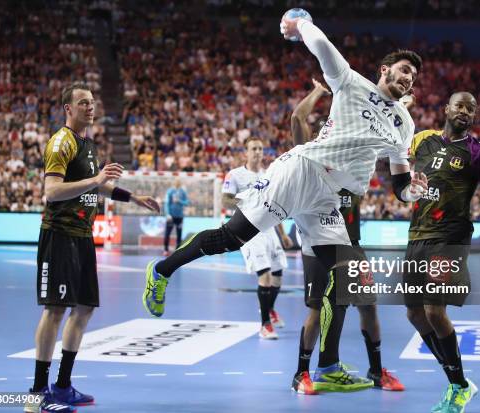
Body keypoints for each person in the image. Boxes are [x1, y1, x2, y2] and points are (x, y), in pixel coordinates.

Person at [142, 13, 426, 392]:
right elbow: (323, 46)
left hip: (329, 199)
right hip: (301, 171)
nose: (409, 78)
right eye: (404, 70)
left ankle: (326, 367)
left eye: (413, 76)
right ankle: (161, 271)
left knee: (346, 281)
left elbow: (401, 182)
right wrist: (300, 22)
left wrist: (413, 192)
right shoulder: (351, 83)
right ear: (385, 70)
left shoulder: (404, 124)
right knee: (231, 237)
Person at [25, 83, 160, 413]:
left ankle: (62, 386)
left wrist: (133, 198)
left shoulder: (87, 145)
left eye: (92, 102)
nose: (90, 107)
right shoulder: (61, 142)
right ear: (68, 109)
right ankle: (38, 391)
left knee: (84, 308)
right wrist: (96, 181)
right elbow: (52, 191)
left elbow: (99, 185)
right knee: (56, 309)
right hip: (60, 235)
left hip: (83, 237)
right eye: (82, 102)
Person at [403, 92, 480, 413]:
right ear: (446, 109)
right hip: (417, 235)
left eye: (471, 108)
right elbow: (398, 166)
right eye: (460, 105)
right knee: (414, 314)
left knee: (433, 311)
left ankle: (458, 386)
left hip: (450, 238)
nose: (465, 111)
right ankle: (458, 381)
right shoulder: (421, 141)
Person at [290, 78, 404, 394]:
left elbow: (386, 138)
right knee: (318, 307)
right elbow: (297, 119)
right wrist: (318, 91)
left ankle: (375, 370)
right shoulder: (309, 157)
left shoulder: (354, 156)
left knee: (368, 305)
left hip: (351, 244)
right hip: (318, 241)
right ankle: (303, 373)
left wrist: (398, 108)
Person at [222, 137, 293, 339]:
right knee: (266, 276)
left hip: (270, 229)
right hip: (248, 230)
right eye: (253, 148)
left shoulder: (268, 175)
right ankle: (265, 325)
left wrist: (283, 234)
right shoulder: (235, 175)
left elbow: (274, 206)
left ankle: (269, 308)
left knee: (278, 275)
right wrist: (249, 202)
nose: (257, 152)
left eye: (260, 148)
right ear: (246, 152)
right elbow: (225, 200)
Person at [163, 178, 189, 256]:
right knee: (167, 233)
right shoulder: (170, 191)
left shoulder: (183, 192)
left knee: (179, 233)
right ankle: (166, 249)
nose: (177, 183)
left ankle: (177, 250)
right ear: (174, 182)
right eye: (176, 181)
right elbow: (166, 203)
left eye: (179, 181)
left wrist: (179, 201)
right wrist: (167, 214)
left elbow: (187, 202)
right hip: (171, 216)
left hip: (179, 216)